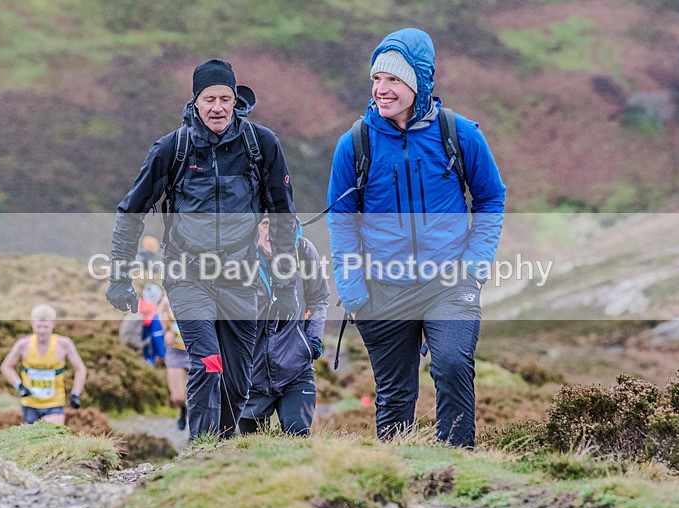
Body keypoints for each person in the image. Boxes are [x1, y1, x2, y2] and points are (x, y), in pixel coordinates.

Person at [326, 28, 506, 448]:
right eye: (376, 79)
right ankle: (401, 479)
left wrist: (476, 264)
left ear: (419, 82)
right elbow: (341, 221)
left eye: (393, 80)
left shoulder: (459, 134)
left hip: (450, 281)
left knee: (452, 365)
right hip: (382, 289)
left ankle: (456, 467)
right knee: (394, 396)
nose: (381, 90)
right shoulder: (355, 144)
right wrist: (351, 286)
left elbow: (491, 198)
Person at [106, 59, 299, 440]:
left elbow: (282, 215)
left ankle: (221, 450)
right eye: (209, 98)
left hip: (240, 275)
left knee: (239, 379)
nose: (218, 107)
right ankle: (200, 450)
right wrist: (119, 277)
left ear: (235, 100)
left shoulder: (260, 146)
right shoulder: (172, 149)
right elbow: (131, 212)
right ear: (195, 102)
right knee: (208, 361)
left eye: (225, 98)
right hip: (187, 274)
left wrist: (285, 284)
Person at [239, 218, 329, 436]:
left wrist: (312, 341)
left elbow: (319, 299)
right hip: (250, 375)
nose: (273, 231)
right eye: (266, 224)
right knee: (250, 450)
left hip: (295, 368)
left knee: (297, 435)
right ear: (254, 227)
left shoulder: (304, 251)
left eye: (280, 224)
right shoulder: (239, 257)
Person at [0, 304, 87, 425]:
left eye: (45, 327)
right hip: (30, 404)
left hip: (55, 403)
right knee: (31, 441)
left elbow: (81, 369)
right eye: (38, 326)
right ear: (31, 323)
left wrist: (75, 394)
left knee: (51, 438)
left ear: (53, 323)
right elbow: (6, 366)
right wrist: (19, 386)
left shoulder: (64, 344)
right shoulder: (23, 344)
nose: (41, 331)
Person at [159, 295, 190, 431]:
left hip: (194, 349)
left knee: (199, 393)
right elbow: (160, 312)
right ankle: (183, 410)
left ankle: (195, 429)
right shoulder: (167, 298)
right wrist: (165, 331)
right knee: (177, 396)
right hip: (176, 351)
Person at [139, 283, 166, 366]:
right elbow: (157, 337)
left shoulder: (141, 308)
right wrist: (164, 355)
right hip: (151, 357)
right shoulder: (155, 316)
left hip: (141, 351)